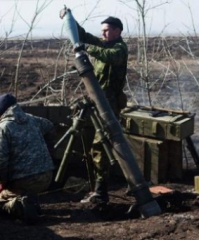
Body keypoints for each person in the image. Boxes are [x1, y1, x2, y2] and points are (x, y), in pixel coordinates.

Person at [74, 16, 129, 204]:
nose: (103, 34)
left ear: (117, 31)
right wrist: (70, 19)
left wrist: (86, 48)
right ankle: (97, 189)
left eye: (106, 30)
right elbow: (84, 35)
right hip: (97, 103)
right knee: (94, 145)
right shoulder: (104, 44)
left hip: (109, 106)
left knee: (100, 146)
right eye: (102, 30)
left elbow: (109, 56)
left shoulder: (119, 49)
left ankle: (101, 192)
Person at [0, 93, 55, 224]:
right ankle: (29, 201)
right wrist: (48, 151)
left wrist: (3, 182)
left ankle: (21, 207)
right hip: (47, 176)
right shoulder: (33, 120)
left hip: (24, 181)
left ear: (0, 111)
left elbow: (0, 162)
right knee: (27, 191)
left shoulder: (2, 128)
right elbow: (50, 126)